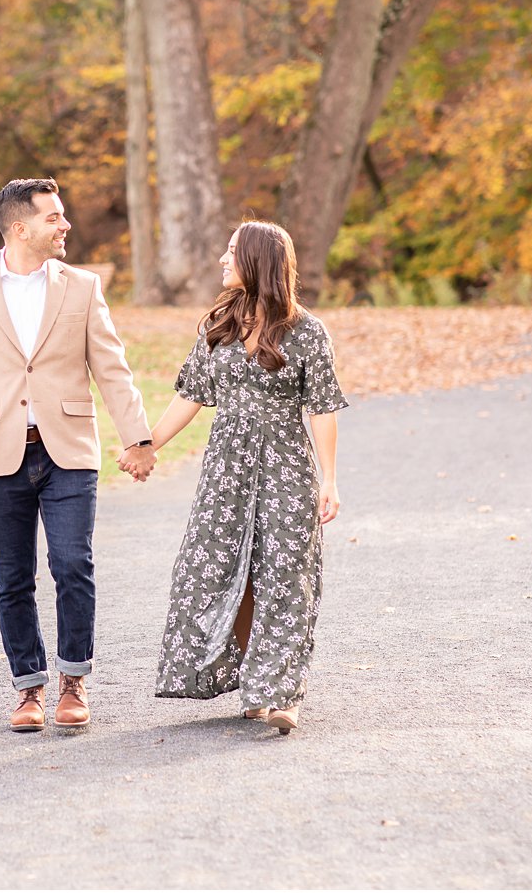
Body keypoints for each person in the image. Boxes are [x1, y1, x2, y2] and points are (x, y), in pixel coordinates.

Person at [0, 177, 156, 733]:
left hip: (68, 450)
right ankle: (28, 689)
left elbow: (111, 367)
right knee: (13, 579)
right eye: (54, 217)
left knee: (72, 564)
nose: (65, 225)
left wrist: (138, 439)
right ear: (20, 228)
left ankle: (73, 680)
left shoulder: (82, 287)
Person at [149, 220, 347, 734]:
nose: (221, 258)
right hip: (225, 470)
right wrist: (147, 445)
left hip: (285, 464)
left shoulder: (307, 332)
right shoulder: (218, 324)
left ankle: (280, 692)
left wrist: (329, 480)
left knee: (284, 576)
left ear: (257, 261)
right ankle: (251, 682)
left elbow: (322, 409)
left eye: (232, 251)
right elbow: (191, 394)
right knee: (218, 574)